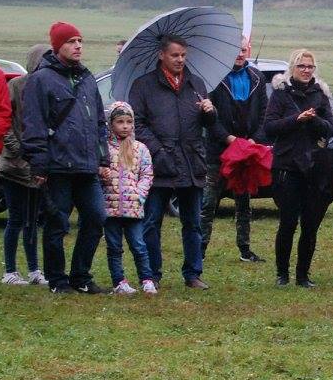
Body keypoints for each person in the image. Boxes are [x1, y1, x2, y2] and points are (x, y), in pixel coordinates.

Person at [20, 22, 109, 294]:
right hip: (57, 164)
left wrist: (103, 158)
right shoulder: (40, 80)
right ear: (58, 46)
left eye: (80, 40)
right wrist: (38, 163)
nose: (78, 46)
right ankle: (57, 280)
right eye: (71, 41)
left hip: (87, 165)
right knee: (57, 224)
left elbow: (99, 122)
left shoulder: (88, 78)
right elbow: (33, 123)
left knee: (96, 217)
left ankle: (80, 276)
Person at [130, 34, 216, 289]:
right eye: (175, 55)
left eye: (183, 55)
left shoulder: (196, 84)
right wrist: (158, 151)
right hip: (159, 163)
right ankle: (152, 274)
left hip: (191, 162)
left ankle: (193, 273)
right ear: (162, 55)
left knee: (193, 223)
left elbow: (209, 124)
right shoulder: (143, 85)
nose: (180, 60)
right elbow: (137, 124)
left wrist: (210, 112)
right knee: (151, 222)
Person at [264, 49, 333, 287]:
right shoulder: (280, 94)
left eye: (310, 67)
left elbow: (330, 128)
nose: (306, 70)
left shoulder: (321, 93)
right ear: (292, 68)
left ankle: (303, 275)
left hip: (315, 167)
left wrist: (313, 120)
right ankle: (282, 274)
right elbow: (269, 127)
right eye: (302, 66)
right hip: (287, 166)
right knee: (288, 222)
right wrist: (295, 120)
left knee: (310, 225)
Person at [200, 37, 268, 263]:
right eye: (234, 50)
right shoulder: (213, 78)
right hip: (218, 151)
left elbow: (264, 114)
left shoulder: (257, 77)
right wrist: (228, 139)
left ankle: (245, 249)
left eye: (242, 50)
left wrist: (253, 141)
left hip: (247, 151)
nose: (239, 54)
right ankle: (199, 249)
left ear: (248, 50)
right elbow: (209, 117)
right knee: (209, 203)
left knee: (244, 202)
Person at [0, 44, 49, 286]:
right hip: (13, 165)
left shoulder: (48, 87)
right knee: (16, 218)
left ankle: (34, 269)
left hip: (36, 165)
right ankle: (10, 271)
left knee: (32, 220)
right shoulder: (16, 85)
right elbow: (5, 120)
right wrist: (18, 149)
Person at [100, 102, 155, 294]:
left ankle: (146, 279)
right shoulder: (104, 148)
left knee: (139, 245)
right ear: (111, 124)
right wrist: (102, 174)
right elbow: (98, 172)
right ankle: (119, 281)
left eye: (129, 122)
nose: (125, 126)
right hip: (110, 207)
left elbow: (147, 174)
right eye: (120, 122)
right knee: (114, 247)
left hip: (133, 207)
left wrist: (139, 195)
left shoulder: (140, 148)